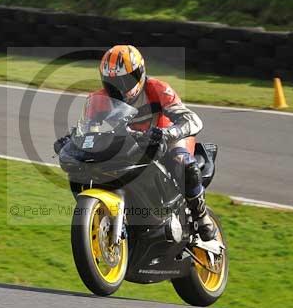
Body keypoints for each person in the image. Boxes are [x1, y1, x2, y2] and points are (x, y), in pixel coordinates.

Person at [55, 44, 216, 241]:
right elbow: (89, 129)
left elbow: (192, 119)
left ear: (140, 73)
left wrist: (169, 133)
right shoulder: (98, 99)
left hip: (167, 136)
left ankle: (201, 215)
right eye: (112, 82)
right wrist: (74, 141)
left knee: (182, 162)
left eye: (125, 80)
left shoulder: (158, 89)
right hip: (132, 142)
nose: (120, 87)